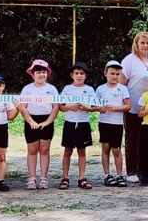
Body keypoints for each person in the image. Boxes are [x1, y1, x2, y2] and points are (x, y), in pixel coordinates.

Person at [120, 32, 148, 184]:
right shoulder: (129, 61)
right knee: (133, 138)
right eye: (142, 43)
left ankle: (144, 171)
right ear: (136, 44)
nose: (145, 46)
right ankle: (132, 171)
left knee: (146, 140)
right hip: (134, 106)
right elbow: (121, 84)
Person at [17, 60, 60, 190]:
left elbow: (56, 107)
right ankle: (31, 178)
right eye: (38, 72)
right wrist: (31, 122)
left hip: (47, 121)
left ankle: (43, 178)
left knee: (45, 150)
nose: (41, 75)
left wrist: (48, 122)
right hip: (31, 121)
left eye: (43, 72)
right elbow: (22, 107)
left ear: (47, 73)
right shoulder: (27, 89)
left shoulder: (52, 89)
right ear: (32, 74)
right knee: (32, 150)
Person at [59, 62, 99, 190]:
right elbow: (61, 107)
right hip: (70, 123)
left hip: (83, 123)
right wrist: (70, 107)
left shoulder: (89, 90)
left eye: (82, 73)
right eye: (77, 73)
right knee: (67, 151)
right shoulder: (67, 89)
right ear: (72, 75)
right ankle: (65, 178)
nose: (79, 76)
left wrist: (85, 107)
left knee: (82, 151)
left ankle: (82, 178)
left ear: (86, 76)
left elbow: (94, 108)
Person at [96, 60, 131, 187]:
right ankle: (107, 175)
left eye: (117, 74)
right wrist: (99, 108)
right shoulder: (100, 89)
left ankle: (119, 175)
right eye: (112, 73)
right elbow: (96, 105)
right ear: (105, 73)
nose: (115, 76)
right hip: (104, 122)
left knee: (116, 149)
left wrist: (115, 108)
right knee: (105, 148)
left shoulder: (123, 89)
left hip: (117, 123)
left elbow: (127, 106)